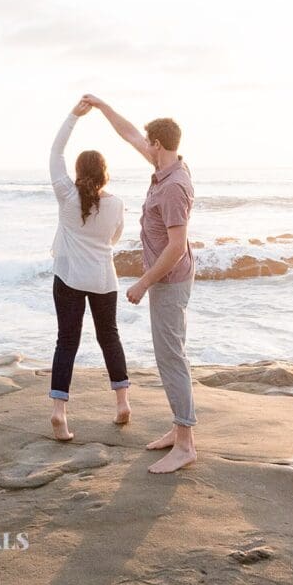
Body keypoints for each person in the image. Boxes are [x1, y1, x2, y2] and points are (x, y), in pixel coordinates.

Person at [81, 94, 196, 473]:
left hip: (169, 279)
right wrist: (102, 106)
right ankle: (179, 429)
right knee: (168, 354)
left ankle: (185, 444)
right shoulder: (166, 167)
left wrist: (144, 282)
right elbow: (130, 134)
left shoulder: (174, 186)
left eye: (150, 143)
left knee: (170, 356)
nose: (144, 146)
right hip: (166, 278)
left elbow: (177, 248)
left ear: (159, 145)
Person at [48, 99, 132, 441]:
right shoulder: (116, 204)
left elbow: (56, 153)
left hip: (68, 277)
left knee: (67, 341)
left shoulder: (66, 195)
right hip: (102, 279)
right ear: (105, 172)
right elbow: (114, 237)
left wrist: (73, 116)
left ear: (80, 172)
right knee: (109, 336)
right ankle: (123, 403)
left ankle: (59, 413)